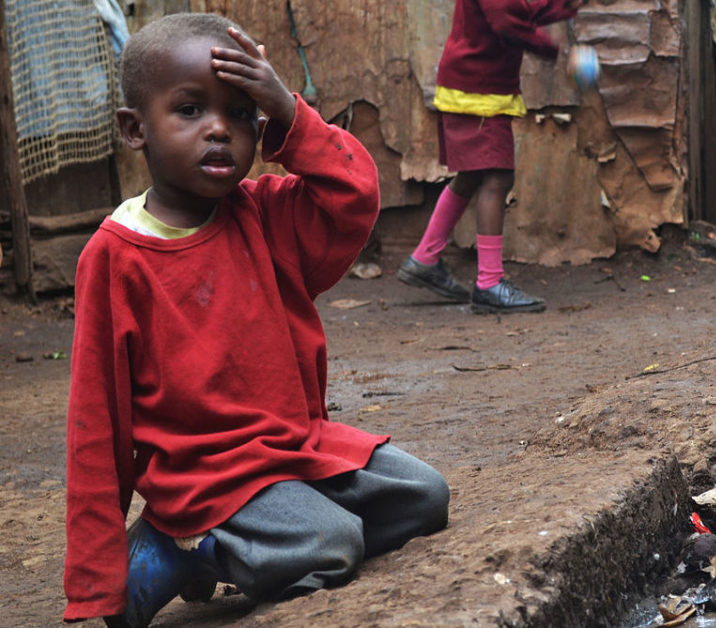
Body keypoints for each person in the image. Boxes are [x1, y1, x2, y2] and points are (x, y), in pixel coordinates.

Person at [64, 14, 450, 628]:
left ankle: (249, 540)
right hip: (207, 477)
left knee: (426, 498)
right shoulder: (115, 258)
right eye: (189, 110)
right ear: (135, 129)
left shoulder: (265, 213)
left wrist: (289, 112)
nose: (219, 129)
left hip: (297, 449)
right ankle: (182, 549)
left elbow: (354, 197)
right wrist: (95, 579)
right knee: (332, 544)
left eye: (241, 113)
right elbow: (96, 424)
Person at [395, 0, 585, 314]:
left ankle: (425, 259)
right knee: (497, 176)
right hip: (477, 89)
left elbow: (522, 8)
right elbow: (507, 22)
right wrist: (556, 51)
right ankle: (489, 283)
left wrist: (565, 5)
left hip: (474, 83)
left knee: (472, 174)